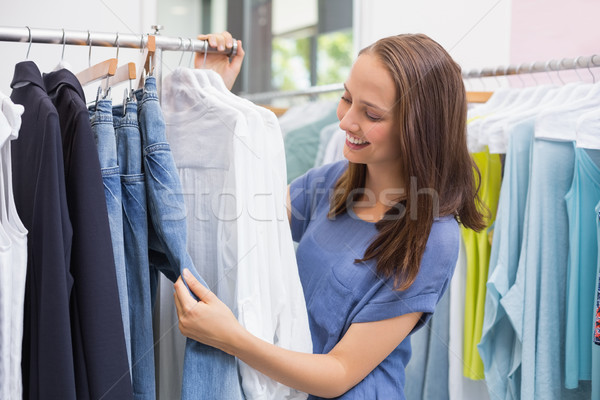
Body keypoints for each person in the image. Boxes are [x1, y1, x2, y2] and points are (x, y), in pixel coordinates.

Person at [174, 31, 486, 399]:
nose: (345, 121)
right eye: (346, 98)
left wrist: (230, 338)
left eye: (370, 114)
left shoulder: (433, 238)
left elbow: (339, 372)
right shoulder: (333, 182)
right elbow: (239, 222)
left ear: (419, 129)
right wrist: (216, 98)